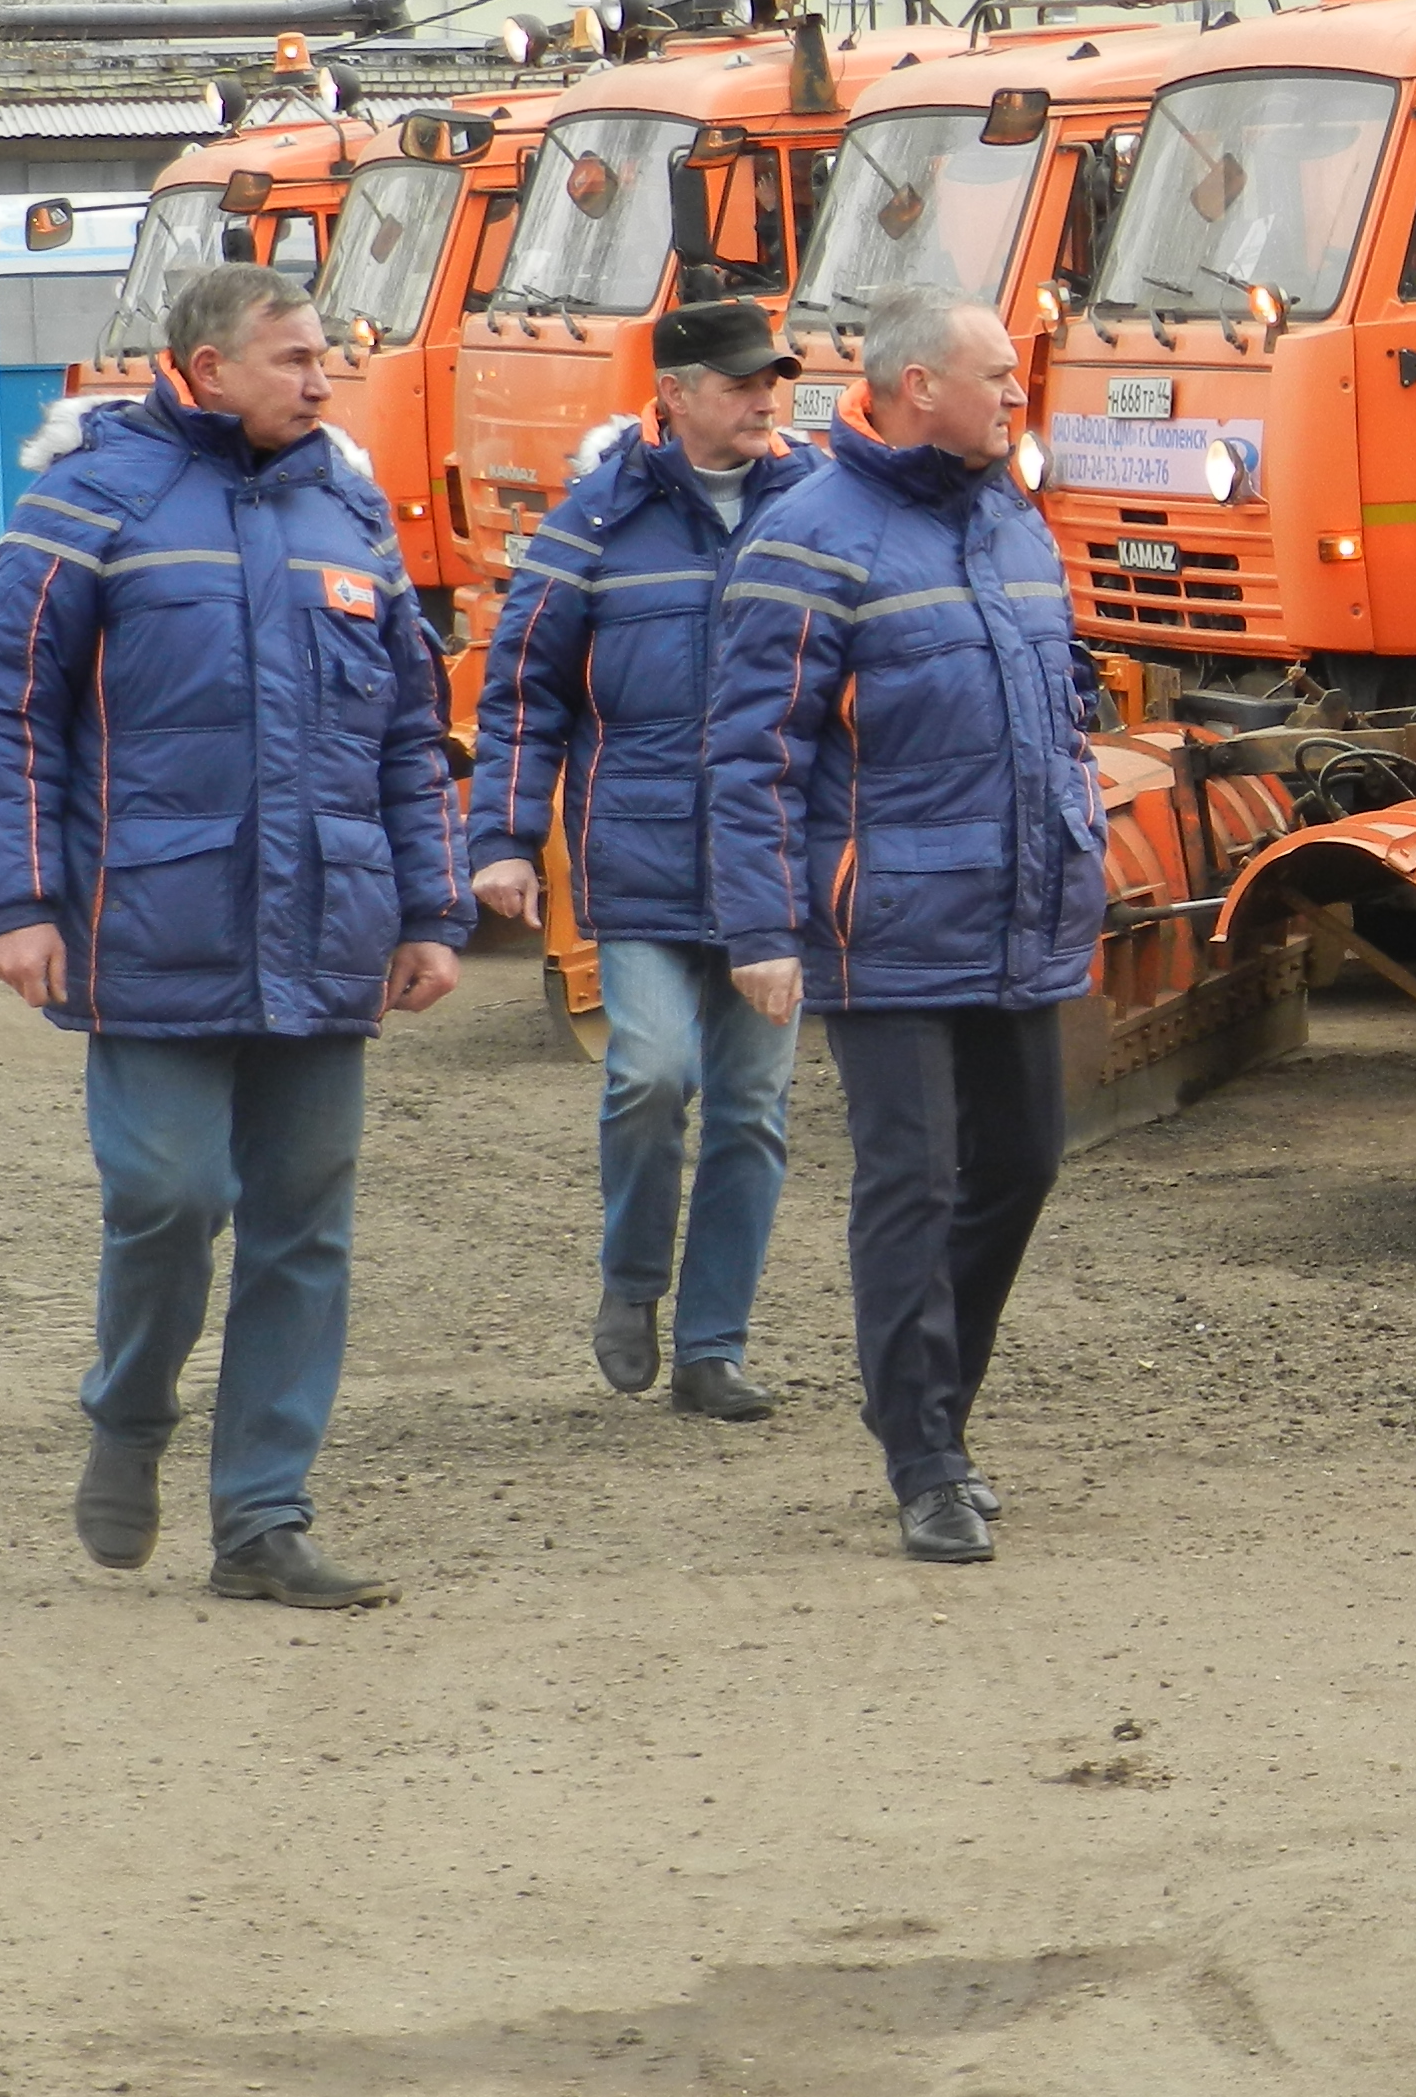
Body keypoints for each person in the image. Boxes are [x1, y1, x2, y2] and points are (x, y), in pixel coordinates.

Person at [0, 262, 470, 1609]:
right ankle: (130, 1416)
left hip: (326, 926)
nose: (319, 381)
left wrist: (429, 908)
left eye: (323, 361)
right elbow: (5, 712)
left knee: (304, 1227)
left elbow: (408, 733)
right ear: (200, 367)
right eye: (292, 359)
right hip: (151, 920)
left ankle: (263, 1520)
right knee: (171, 1198)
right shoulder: (88, 503)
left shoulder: (347, 508)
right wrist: (11, 903)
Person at [706, 282, 1102, 1565]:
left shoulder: (1010, 519)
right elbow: (753, 753)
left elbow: (1058, 701)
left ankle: (933, 1407)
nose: (1017, 393)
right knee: (912, 1182)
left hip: (1014, 909)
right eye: (998, 374)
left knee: (1024, 1163)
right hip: (879, 924)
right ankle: (923, 1457)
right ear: (917, 385)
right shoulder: (809, 536)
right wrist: (761, 928)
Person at [467, 300, 823, 1418]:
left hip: (773, 863)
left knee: (754, 1110)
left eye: (773, 379)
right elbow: (526, 688)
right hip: (643, 859)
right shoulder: (595, 523)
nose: (765, 398)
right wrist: (504, 838)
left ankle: (713, 1345)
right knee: (650, 1073)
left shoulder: (818, 508)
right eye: (739, 382)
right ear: (672, 396)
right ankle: (632, 1284)